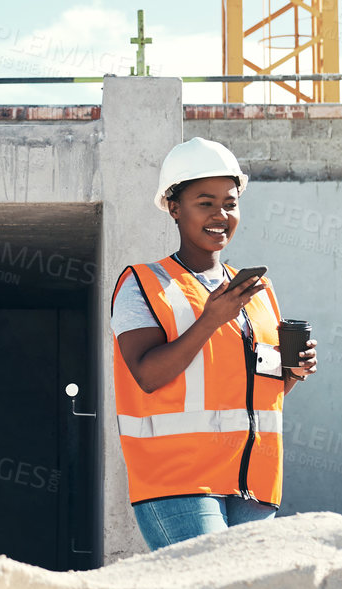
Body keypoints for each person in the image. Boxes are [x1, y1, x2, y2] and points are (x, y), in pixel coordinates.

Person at [109, 136, 318, 550]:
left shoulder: (259, 292)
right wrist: (209, 321)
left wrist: (292, 372)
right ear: (174, 207)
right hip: (178, 482)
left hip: (253, 485)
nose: (220, 214)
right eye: (205, 202)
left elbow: (259, 393)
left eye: (230, 202)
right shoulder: (143, 284)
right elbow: (147, 376)